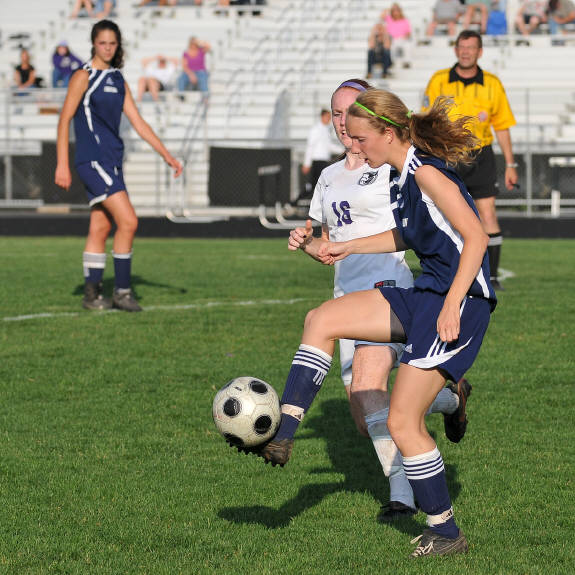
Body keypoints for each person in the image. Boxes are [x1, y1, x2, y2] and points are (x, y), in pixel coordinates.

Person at [236, 88, 495, 557]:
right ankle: (282, 436)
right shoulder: (400, 176)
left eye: (360, 138)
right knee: (321, 319)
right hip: (426, 295)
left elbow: (476, 237)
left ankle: (446, 533)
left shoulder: (427, 172)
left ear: (388, 133)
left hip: (461, 301)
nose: (354, 145)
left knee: (402, 421)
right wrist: (347, 246)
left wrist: (454, 303)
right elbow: (406, 234)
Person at [288, 79, 472, 522]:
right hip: (346, 302)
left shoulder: (391, 167)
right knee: (365, 411)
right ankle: (451, 400)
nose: (342, 122)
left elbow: (417, 228)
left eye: (350, 112)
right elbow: (330, 246)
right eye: (335, 113)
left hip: (389, 291)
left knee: (371, 391)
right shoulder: (329, 177)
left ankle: (402, 499)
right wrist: (307, 243)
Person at [55, 20, 182, 311]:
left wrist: (167, 155)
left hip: (112, 161)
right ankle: (122, 292)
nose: (108, 48)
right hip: (92, 160)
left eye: (112, 43)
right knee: (129, 221)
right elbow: (64, 120)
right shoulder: (83, 76)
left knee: (101, 226)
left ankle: (92, 295)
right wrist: (62, 163)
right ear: (93, 44)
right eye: (102, 43)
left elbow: (138, 122)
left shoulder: (117, 80)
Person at [422, 30, 518, 290]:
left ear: (480, 51)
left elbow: (502, 126)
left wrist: (511, 164)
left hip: (481, 155)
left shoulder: (492, 84)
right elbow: (427, 120)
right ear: (456, 50)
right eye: (461, 47)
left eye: (471, 47)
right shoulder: (439, 80)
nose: (465, 52)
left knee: (487, 214)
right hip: (447, 154)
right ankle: (444, 270)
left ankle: (492, 276)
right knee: (445, 215)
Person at [299, 109, 343, 203]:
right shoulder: (316, 130)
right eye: (327, 117)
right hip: (317, 161)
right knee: (315, 185)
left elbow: (328, 146)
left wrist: (343, 150)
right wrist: (306, 164)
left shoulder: (326, 130)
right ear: (322, 117)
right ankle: (296, 202)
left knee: (320, 184)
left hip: (323, 161)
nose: (329, 119)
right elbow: (310, 146)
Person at [382, 4, 412, 69]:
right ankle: (393, 62)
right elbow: (382, 16)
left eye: (397, 11)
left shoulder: (405, 20)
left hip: (403, 39)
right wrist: (389, 9)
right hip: (392, 39)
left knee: (407, 46)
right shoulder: (389, 19)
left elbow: (409, 32)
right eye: (394, 11)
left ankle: (406, 62)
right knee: (392, 47)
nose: (396, 13)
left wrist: (405, 36)